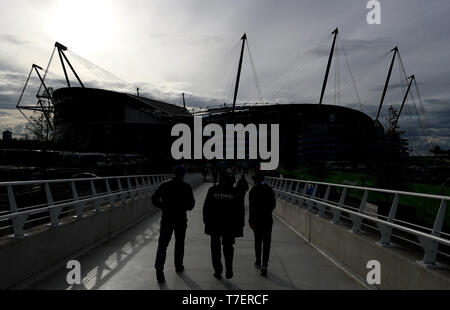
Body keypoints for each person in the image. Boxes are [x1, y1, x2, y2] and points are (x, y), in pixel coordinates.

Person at [152, 165, 195, 283]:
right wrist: (183, 207)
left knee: (162, 245)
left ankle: (159, 271)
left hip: (167, 219)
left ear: (173, 173)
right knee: (179, 243)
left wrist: (163, 207)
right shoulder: (186, 187)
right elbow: (191, 205)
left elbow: (154, 199)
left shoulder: (164, 185)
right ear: (183, 174)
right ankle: (178, 266)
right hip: (181, 219)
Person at [203, 173, 245, 279]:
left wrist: (206, 221)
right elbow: (240, 210)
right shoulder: (236, 192)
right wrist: (240, 224)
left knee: (215, 249)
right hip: (229, 225)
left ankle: (218, 270)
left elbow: (206, 208)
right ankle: (229, 269)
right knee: (228, 247)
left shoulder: (212, 190)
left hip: (214, 225)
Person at [249, 172, 276, 277]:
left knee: (258, 241)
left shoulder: (253, 190)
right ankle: (265, 264)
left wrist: (251, 220)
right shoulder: (269, 189)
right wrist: (267, 212)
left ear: (255, 180)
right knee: (267, 243)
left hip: (257, 220)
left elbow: (251, 207)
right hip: (268, 220)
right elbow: (273, 204)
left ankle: (258, 262)